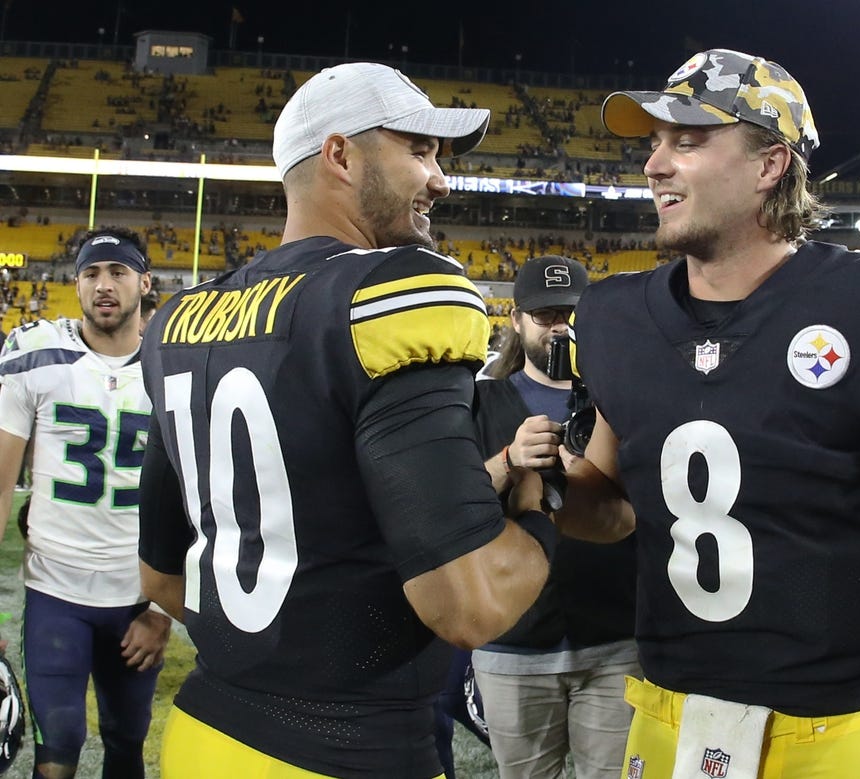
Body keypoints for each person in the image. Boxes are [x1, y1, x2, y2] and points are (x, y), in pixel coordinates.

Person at [556, 48, 860, 779]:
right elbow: (609, 505)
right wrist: (538, 481)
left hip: (819, 733)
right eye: (654, 143)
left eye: (688, 141)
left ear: (770, 163)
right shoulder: (616, 316)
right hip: (663, 716)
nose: (654, 165)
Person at [137, 61, 557, 779]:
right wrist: (539, 503)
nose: (440, 179)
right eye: (419, 150)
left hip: (204, 734)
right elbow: (470, 606)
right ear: (340, 154)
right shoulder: (390, 292)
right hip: (346, 752)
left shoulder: (179, 320)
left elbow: (160, 576)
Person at [0, 225, 172, 779]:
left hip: (136, 595)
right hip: (56, 590)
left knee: (127, 740)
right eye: (91, 273)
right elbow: (1, 483)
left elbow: (202, 499)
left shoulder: (174, 364)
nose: (104, 285)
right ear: (76, 285)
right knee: (59, 744)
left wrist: (165, 611)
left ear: (144, 283)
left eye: (118, 272)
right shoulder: (37, 355)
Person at [471, 254, 639, 779]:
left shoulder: (622, 397)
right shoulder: (479, 400)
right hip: (514, 638)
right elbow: (454, 503)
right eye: (545, 315)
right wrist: (508, 460)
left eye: (569, 313)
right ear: (517, 321)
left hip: (615, 631)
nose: (559, 326)